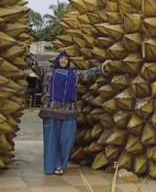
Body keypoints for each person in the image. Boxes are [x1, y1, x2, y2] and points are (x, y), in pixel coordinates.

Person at [24, 47, 110, 176]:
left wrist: (102, 66)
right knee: (51, 140)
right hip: (50, 112)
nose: (64, 60)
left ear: (68, 61)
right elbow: (35, 66)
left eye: (66, 59)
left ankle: (60, 163)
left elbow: (87, 73)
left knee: (67, 140)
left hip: (69, 113)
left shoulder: (74, 75)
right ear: (58, 60)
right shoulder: (48, 72)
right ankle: (53, 166)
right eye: (62, 58)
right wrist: (27, 56)